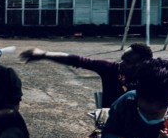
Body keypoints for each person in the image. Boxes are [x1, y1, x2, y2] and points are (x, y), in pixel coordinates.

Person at [20, 42, 153, 109]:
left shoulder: (154, 74)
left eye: (128, 62)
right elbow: (76, 60)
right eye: (122, 58)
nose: (121, 63)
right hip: (113, 123)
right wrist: (44, 54)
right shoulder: (111, 69)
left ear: (142, 64)